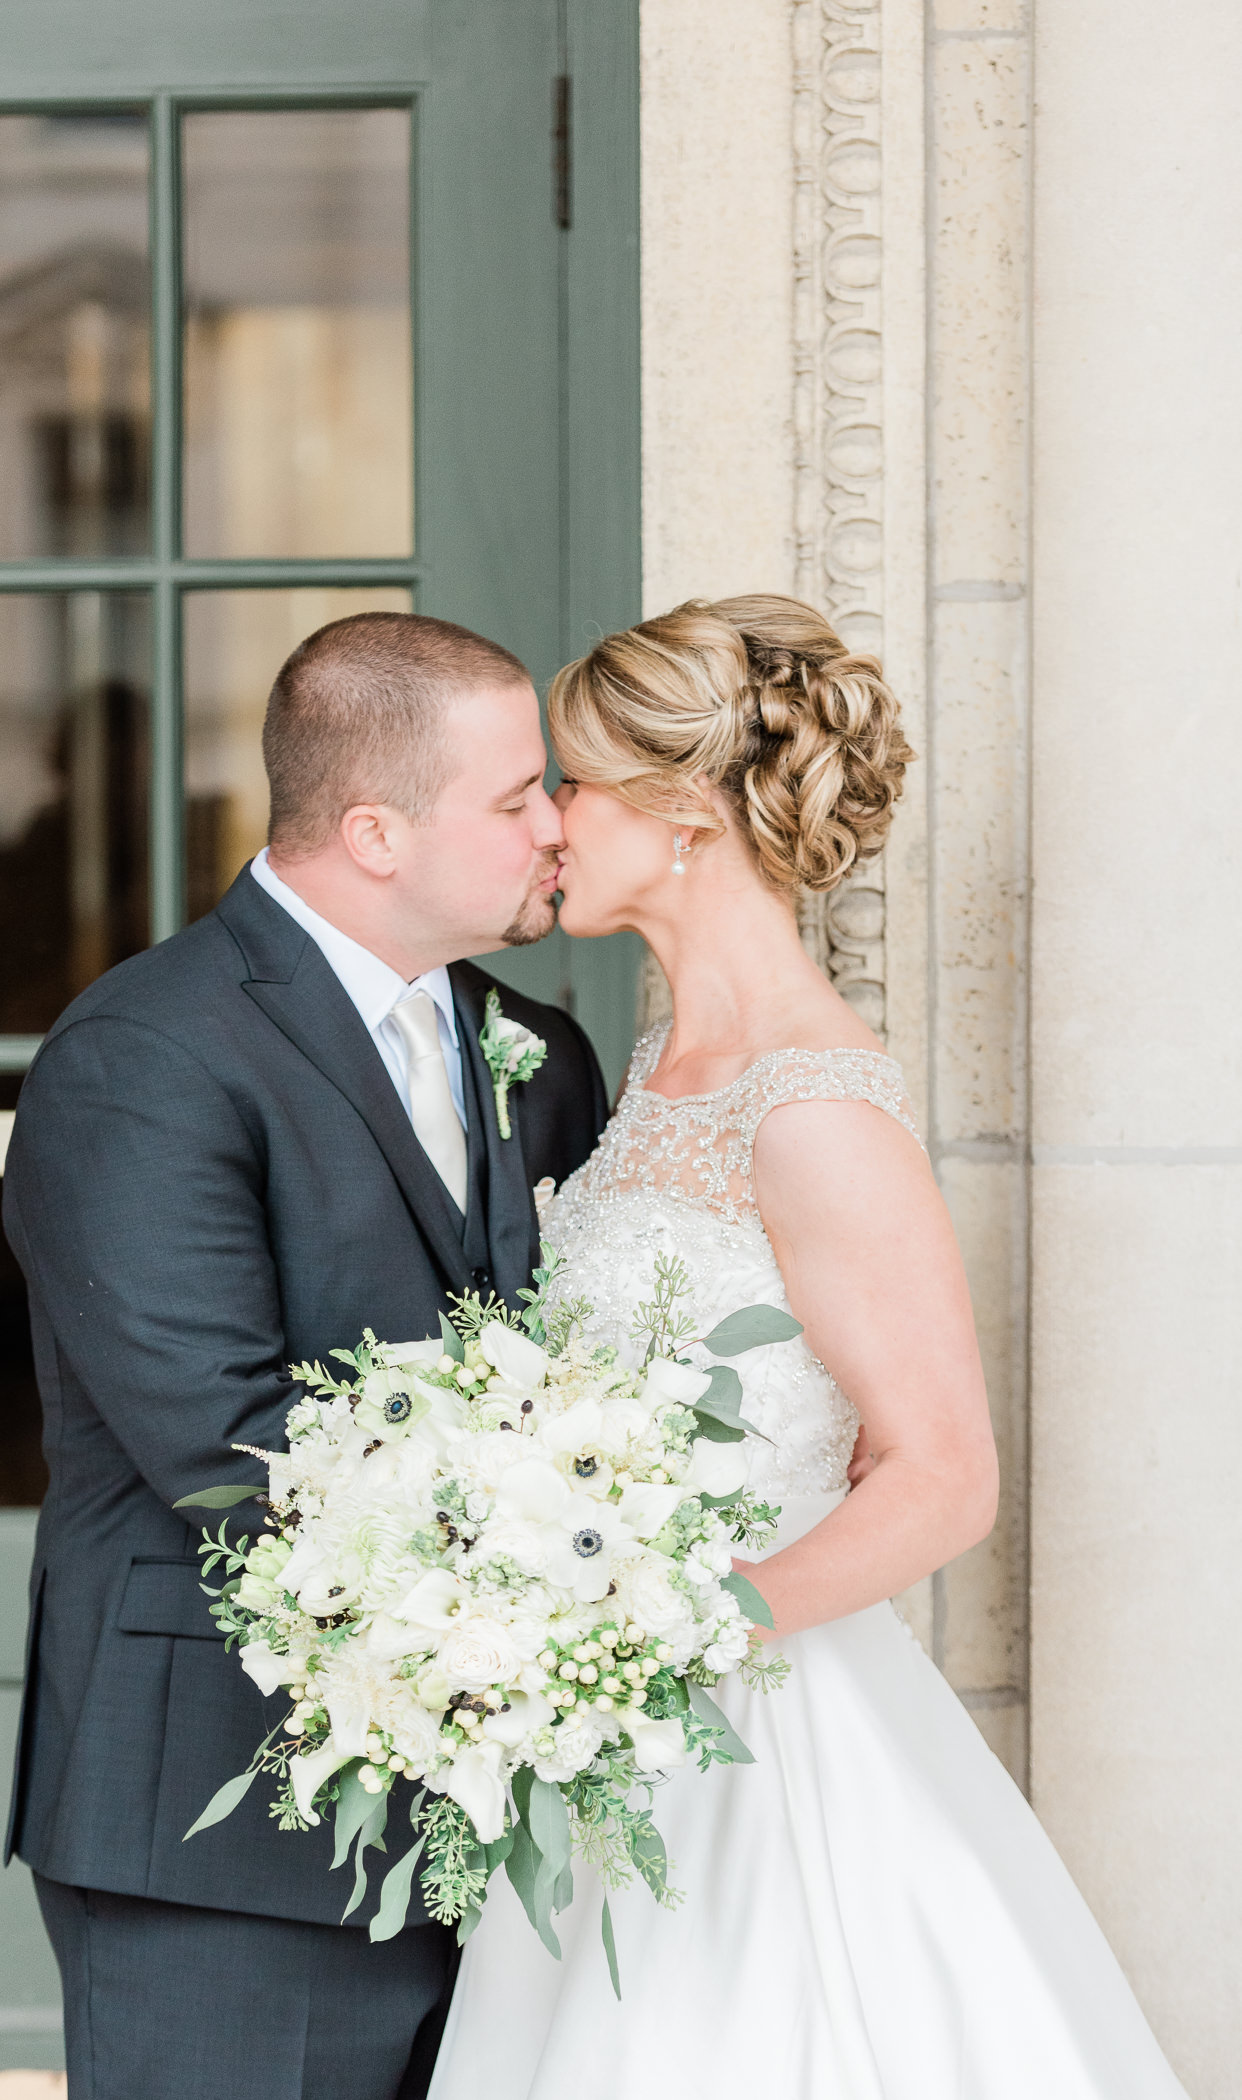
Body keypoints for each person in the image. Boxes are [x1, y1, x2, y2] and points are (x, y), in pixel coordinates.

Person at [428, 595, 1190, 2099]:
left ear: (686, 811)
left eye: (569, 782)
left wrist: (674, 1635)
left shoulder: (811, 1101)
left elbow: (940, 1475)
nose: (550, 823)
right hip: (621, 1731)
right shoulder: (654, 1065)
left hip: (756, 1733)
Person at [1, 612, 611, 2100]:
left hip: (498, 1812)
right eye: (520, 793)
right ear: (375, 831)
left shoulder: (536, 1050)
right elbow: (227, 1441)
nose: (559, 825)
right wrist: (555, 1568)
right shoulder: (145, 1055)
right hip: (223, 1811)